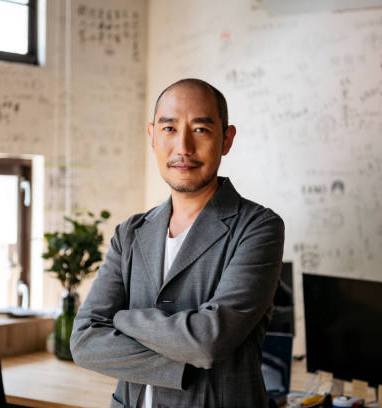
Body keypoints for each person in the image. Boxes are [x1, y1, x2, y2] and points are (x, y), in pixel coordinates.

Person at [70, 78, 285, 408]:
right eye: (169, 129)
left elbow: (207, 341)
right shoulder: (129, 233)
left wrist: (121, 318)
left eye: (200, 129)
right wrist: (179, 363)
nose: (183, 146)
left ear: (226, 140)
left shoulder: (257, 228)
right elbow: (84, 341)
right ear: (152, 137)